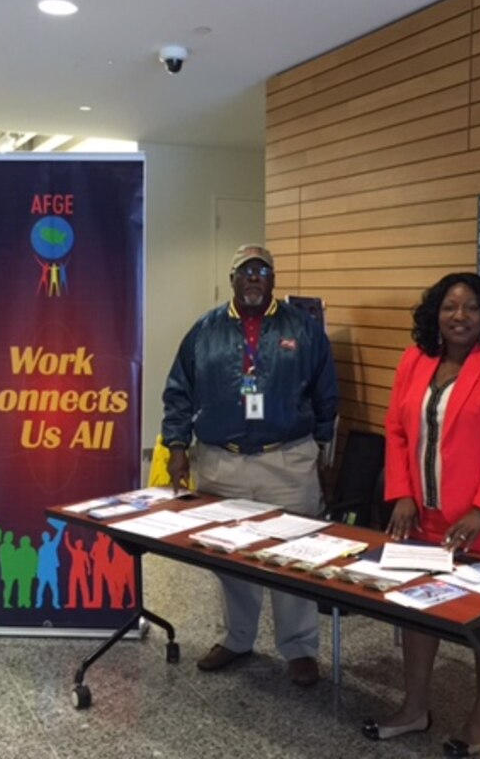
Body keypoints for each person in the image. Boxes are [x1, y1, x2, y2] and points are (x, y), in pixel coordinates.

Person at [360, 272, 480, 757]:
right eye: (449, 307)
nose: (459, 317)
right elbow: (396, 430)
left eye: (471, 308)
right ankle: (415, 707)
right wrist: (401, 494)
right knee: (416, 612)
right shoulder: (415, 360)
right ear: (435, 314)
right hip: (424, 518)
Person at [161, 244, 338, 687]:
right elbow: (179, 391)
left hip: (288, 459)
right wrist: (178, 446)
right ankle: (237, 638)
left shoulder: (304, 328)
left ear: (273, 279)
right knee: (229, 557)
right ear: (233, 279)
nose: (254, 278)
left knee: (294, 556)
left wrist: (319, 449)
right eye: (245, 271)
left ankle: (299, 648)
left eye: (262, 271)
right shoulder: (205, 330)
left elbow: (326, 394)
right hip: (223, 462)